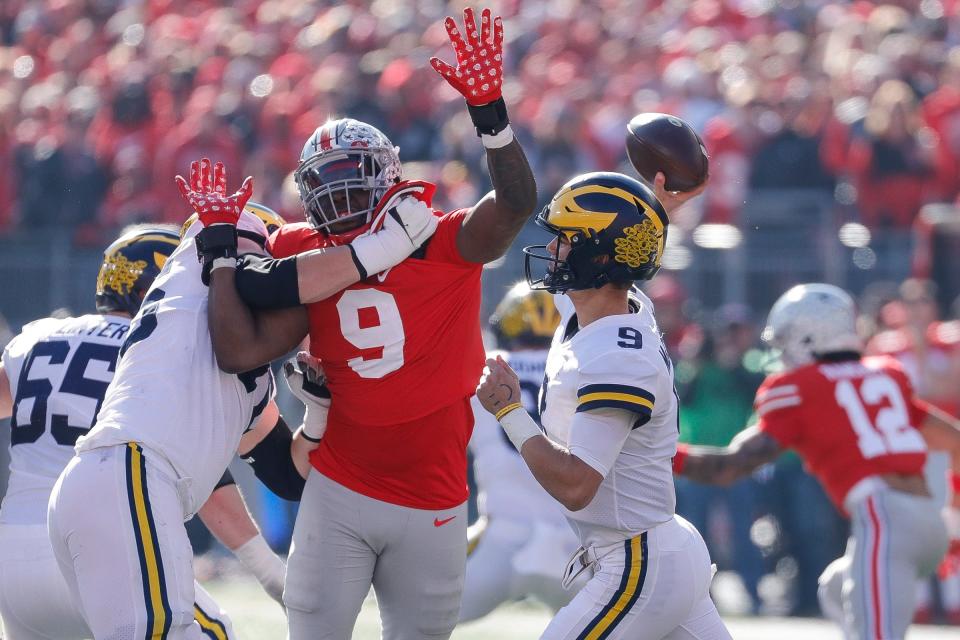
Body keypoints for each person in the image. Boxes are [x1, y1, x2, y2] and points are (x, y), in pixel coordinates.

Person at [201, 8, 538, 639]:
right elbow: (238, 313)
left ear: (384, 175)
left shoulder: (438, 240)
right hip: (343, 483)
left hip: (434, 492)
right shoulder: (302, 246)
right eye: (323, 184)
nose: (336, 197)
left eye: (349, 180)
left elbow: (517, 204)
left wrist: (491, 117)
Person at [44, 183, 401, 639]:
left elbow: (288, 475)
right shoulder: (206, 273)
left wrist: (316, 414)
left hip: (115, 485)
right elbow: (259, 268)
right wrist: (384, 246)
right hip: (129, 476)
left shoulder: (234, 364)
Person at [0, 225, 286, 639]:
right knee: (213, 632)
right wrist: (271, 571)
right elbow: (207, 481)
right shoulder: (157, 350)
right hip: (98, 540)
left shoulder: (38, 335)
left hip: (13, 560)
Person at [477, 171, 730, 640]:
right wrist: (657, 209)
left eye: (566, 240)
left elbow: (577, 486)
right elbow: (623, 252)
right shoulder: (601, 310)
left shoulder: (616, 354)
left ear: (599, 255)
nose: (552, 250)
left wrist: (511, 413)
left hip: (637, 561)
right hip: (656, 548)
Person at [672, 283, 960, 640]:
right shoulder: (886, 372)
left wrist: (664, 455)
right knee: (836, 588)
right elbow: (953, 440)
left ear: (806, 338)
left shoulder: (797, 388)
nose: (780, 354)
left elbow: (730, 467)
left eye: (783, 342)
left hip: (884, 520)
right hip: (930, 521)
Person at [461, 283, 585, 622]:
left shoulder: (481, 370)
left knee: (415, 620)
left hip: (500, 539)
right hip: (574, 546)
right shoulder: (583, 369)